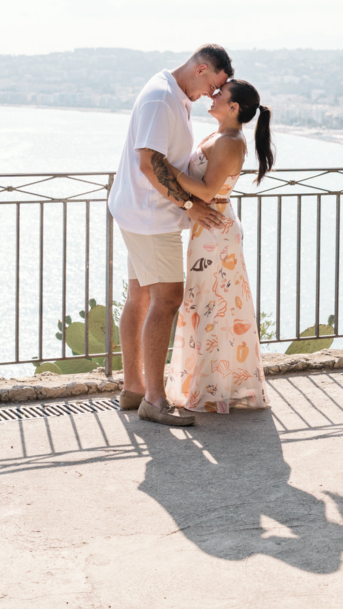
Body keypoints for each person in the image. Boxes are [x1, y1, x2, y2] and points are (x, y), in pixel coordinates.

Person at [109, 44, 232, 427]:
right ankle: (155, 399)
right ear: (201, 69)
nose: (213, 94)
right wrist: (189, 205)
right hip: (151, 216)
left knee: (141, 295)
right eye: (215, 84)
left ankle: (134, 387)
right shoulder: (162, 99)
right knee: (168, 298)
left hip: (140, 211)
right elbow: (149, 163)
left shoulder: (175, 96)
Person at [164, 79, 272, 413]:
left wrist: (163, 168)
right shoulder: (221, 136)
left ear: (234, 107)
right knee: (209, 306)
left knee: (213, 307)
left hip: (215, 231)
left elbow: (208, 192)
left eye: (219, 94)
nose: (212, 97)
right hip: (210, 228)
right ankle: (211, 384)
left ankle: (213, 388)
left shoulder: (229, 141)